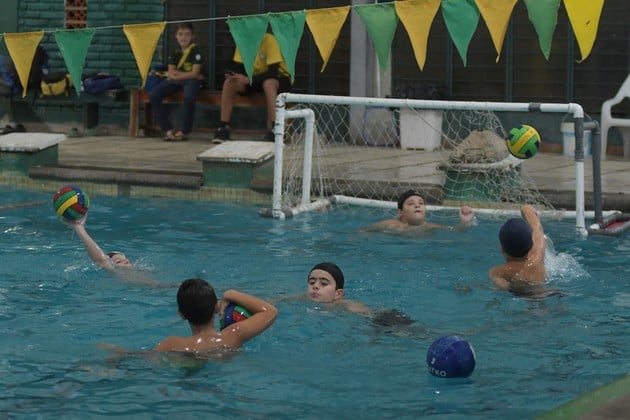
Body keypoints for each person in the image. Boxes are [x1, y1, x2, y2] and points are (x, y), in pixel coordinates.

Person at [155, 278, 277, 354]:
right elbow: (270, 311)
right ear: (216, 308)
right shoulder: (233, 336)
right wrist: (230, 293)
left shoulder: (172, 344)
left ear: (181, 315)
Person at [212, 32, 292, 143]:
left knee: (268, 83)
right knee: (229, 83)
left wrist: (249, 80)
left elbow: (273, 72)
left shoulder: (270, 40)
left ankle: (275, 128)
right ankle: (223, 127)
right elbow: (239, 68)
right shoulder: (243, 41)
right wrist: (234, 75)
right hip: (255, 78)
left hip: (279, 77)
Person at [63, 213, 166, 287]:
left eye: (126, 260)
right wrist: (79, 228)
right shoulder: (114, 271)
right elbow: (100, 259)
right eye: (119, 261)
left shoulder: (142, 270)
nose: (126, 262)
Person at [149, 22, 203, 142]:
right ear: (176, 36)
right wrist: (179, 75)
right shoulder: (174, 51)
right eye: (181, 34)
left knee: (189, 97)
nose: (184, 37)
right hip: (180, 80)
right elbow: (171, 71)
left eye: (187, 34)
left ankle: (184, 131)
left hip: (191, 81)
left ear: (192, 36)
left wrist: (176, 76)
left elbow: (194, 74)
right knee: (154, 94)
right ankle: (168, 129)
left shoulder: (196, 51)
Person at [488, 204, 547, 294]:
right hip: (547, 292)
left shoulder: (497, 272)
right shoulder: (538, 254)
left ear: (501, 248)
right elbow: (537, 228)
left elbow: (504, 288)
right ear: (532, 244)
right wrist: (525, 207)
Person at [361, 190, 476, 233]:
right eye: (411, 204)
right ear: (400, 212)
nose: (417, 205)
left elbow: (456, 231)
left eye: (421, 203)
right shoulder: (390, 224)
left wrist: (465, 222)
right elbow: (363, 231)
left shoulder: (431, 227)